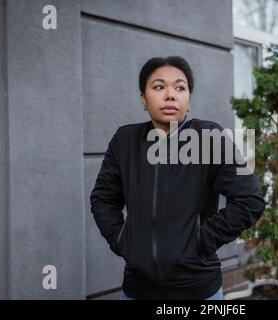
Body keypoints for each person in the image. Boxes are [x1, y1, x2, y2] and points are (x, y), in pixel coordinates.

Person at [90, 56, 265, 300]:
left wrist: (200, 241)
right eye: (159, 87)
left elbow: (250, 200)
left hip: (197, 288)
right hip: (136, 290)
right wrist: (121, 240)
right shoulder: (125, 140)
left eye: (180, 88)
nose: (170, 95)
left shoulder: (209, 137)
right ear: (143, 97)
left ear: (188, 99)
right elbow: (103, 199)